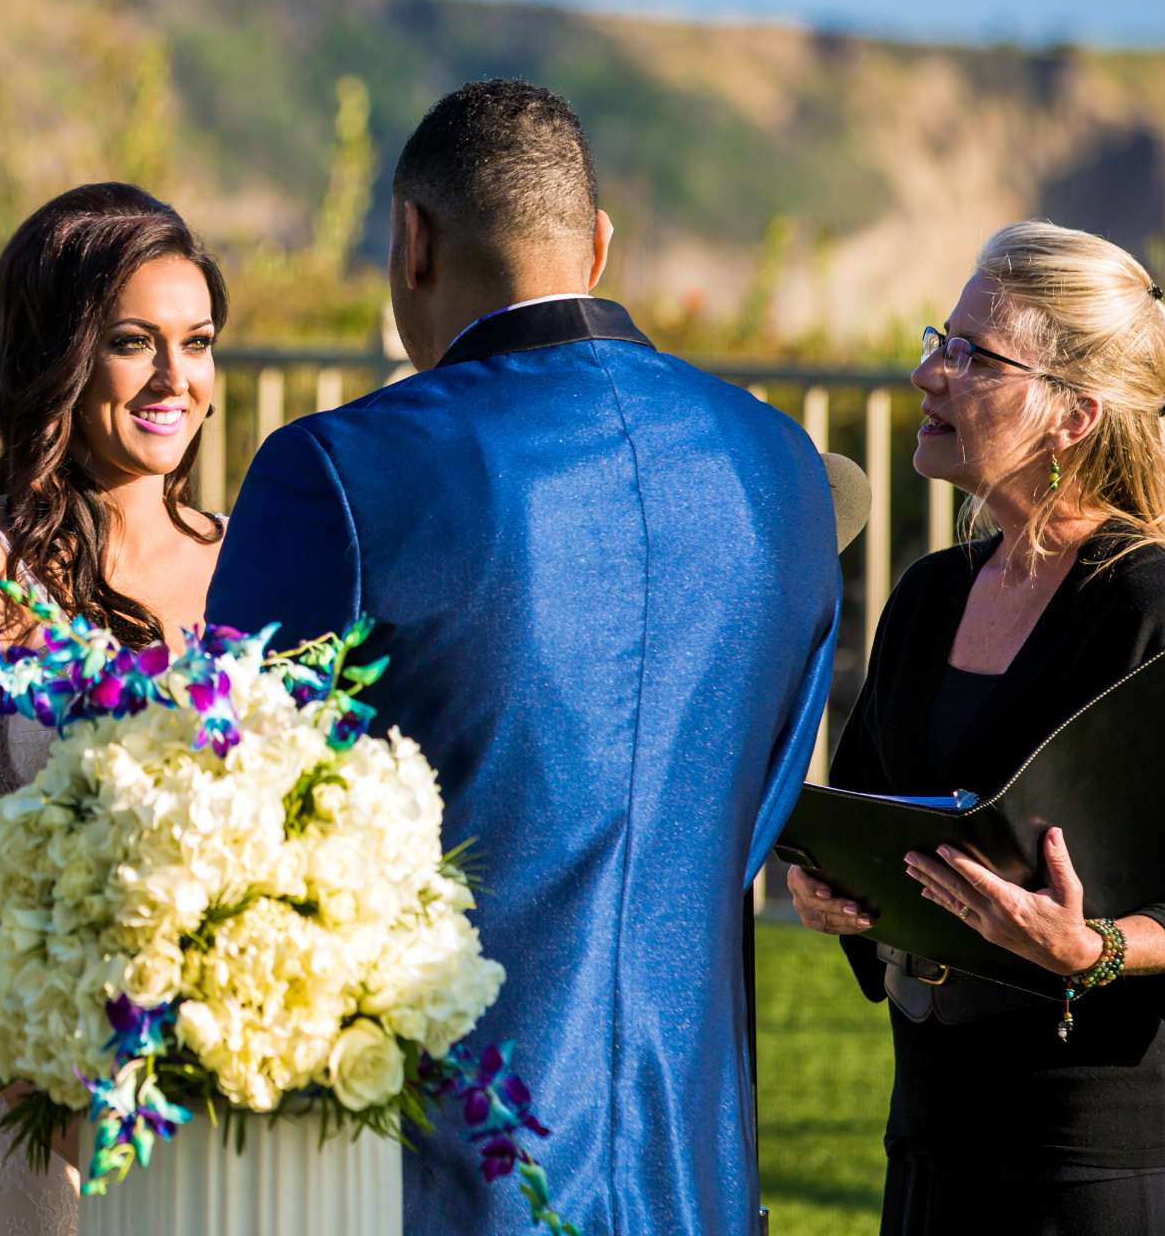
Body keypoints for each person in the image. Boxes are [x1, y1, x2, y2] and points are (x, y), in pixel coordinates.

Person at [206, 80, 841, 1236]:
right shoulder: (783, 467)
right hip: (695, 1169)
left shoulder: (338, 470)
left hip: (426, 1165)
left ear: (411, 242)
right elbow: (754, 804)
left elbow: (236, 822)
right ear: (599, 246)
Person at [788, 221, 1165, 1235]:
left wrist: (1084, 948)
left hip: (1088, 1166)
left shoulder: (1150, 608)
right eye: (940, 337)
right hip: (928, 1138)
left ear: (1073, 416)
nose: (929, 371)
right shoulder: (925, 596)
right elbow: (861, 803)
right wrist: (827, 882)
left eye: (971, 354)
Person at [0, 182, 231, 1235]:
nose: (177, 379)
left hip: (205, 1082)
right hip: (25, 1083)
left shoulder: (246, 557)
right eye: (136, 342)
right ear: (60, 355)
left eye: (199, 340)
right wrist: (55, 1076)